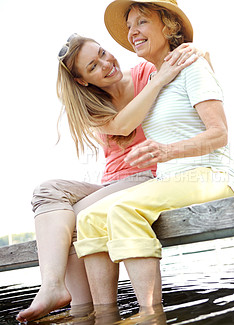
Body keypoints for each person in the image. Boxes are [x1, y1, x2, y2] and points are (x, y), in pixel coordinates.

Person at [73, 0, 234, 320]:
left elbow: (219, 134)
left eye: (142, 22)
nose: (132, 32)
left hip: (210, 174)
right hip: (170, 181)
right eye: (130, 26)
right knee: (88, 220)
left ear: (168, 26)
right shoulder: (152, 79)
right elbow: (120, 122)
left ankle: (150, 314)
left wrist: (167, 151)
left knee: (124, 210)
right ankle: (104, 316)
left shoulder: (191, 64)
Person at [16, 33, 202, 323]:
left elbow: (193, 60)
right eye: (93, 66)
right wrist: (159, 80)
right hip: (112, 184)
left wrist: (167, 70)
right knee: (47, 191)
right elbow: (123, 123)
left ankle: (85, 311)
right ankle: (54, 287)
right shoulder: (94, 105)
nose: (105, 63)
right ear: (82, 81)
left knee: (79, 219)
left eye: (102, 53)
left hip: (148, 177)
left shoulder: (146, 73)